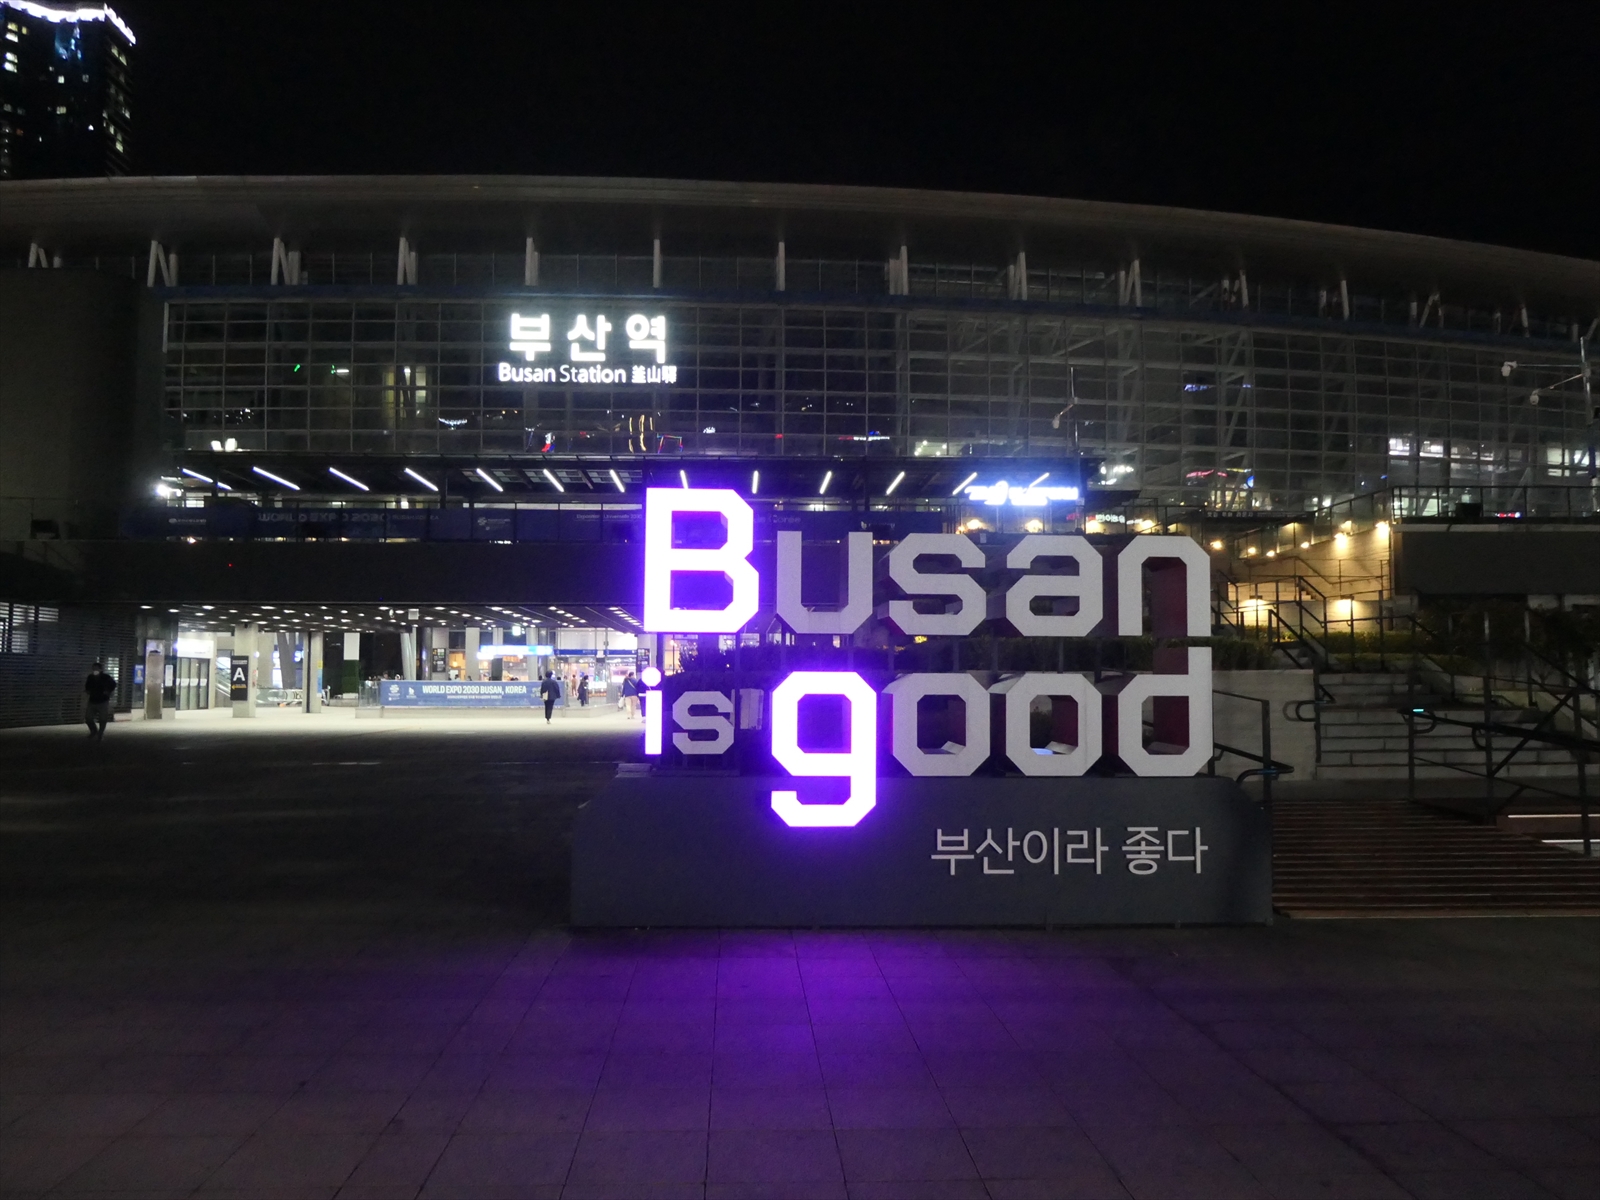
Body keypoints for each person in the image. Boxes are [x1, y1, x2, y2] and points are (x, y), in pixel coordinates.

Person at [83, 662, 117, 738]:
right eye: (93, 668)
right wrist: (88, 691)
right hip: (92, 700)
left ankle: (100, 733)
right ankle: (94, 731)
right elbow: (87, 686)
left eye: (96, 668)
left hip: (103, 700)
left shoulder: (106, 677)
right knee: (88, 718)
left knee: (102, 718)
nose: (95, 670)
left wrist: (108, 691)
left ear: (100, 669)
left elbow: (113, 684)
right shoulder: (90, 677)